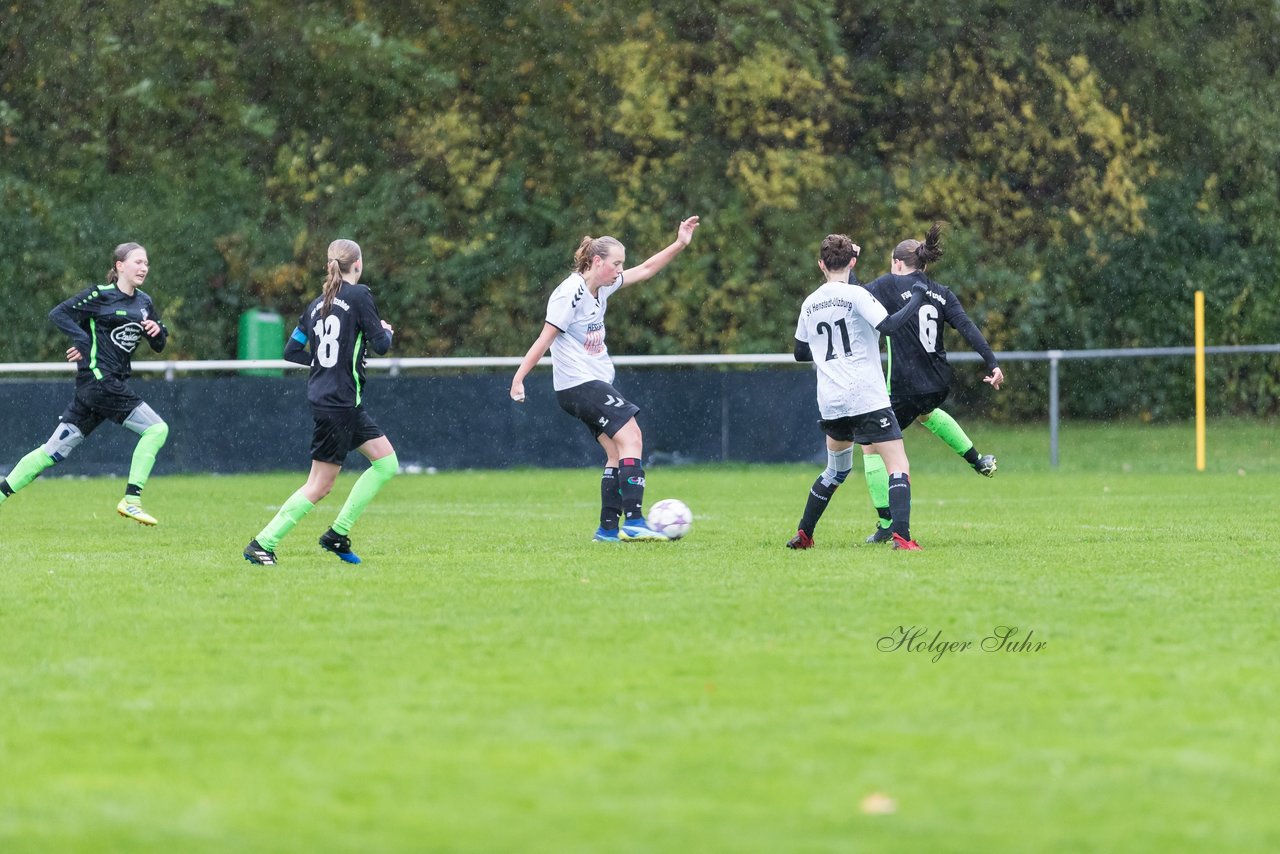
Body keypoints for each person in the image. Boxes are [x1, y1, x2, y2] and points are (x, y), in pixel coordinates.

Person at [510, 216, 700, 542]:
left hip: (590, 385)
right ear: (597, 262)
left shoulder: (602, 284)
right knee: (633, 438)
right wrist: (518, 379)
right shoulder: (569, 294)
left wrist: (680, 243)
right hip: (580, 385)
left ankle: (608, 529)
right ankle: (636, 521)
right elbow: (544, 338)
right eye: (616, 263)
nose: (619, 270)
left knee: (616, 452)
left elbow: (646, 269)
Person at [243, 239, 397, 566]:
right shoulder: (359, 296)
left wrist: (325, 365)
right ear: (357, 264)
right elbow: (381, 344)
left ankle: (338, 534)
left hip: (336, 402)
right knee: (319, 486)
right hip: (340, 404)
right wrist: (386, 330)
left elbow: (291, 351)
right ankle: (262, 543)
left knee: (386, 463)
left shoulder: (316, 304)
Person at [0, 243, 170, 525]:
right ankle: (132, 500)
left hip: (95, 389)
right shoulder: (99, 295)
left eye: (146, 263)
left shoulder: (144, 303)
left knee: (52, 451)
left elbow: (159, 345)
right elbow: (59, 314)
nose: (143, 268)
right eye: (138, 262)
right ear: (119, 266)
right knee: (156, 429)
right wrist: (83, 341)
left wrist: (156, 332)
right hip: (101, 382)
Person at [860, 223, 1004, 544]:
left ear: (898, 263)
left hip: (905, 385)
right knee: (926, 414)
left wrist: (847, 266)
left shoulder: (887, 285)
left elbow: (853, 293)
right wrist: (992, 363)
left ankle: (887, 525)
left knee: (870, 445)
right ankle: (977, 460)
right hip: (938, 383)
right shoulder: (941, 291)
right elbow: (966, 326)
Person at [787, 233, 928, 551]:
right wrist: (917, 297)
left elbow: (799, 352)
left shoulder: (810, 304)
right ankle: (902, 538)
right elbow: (889, 326)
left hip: (832, 401)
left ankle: (804, 533)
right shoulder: (858, 296)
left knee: (835, 470)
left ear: (821, 264)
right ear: (853, 261)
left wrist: (828, 356)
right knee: (898, 465)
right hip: (866, 397)